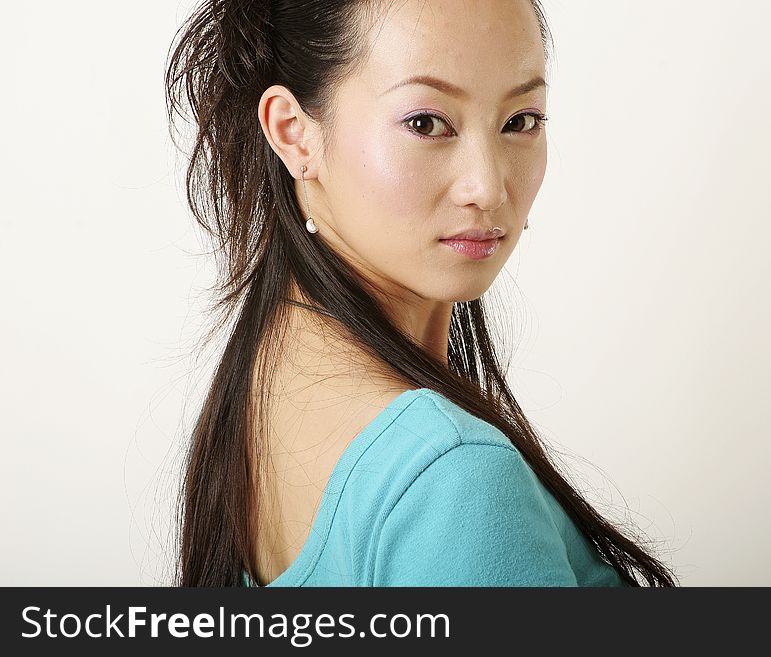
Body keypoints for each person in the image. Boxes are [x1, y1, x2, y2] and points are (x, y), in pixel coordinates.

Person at [164, 0, 677, 587]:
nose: (487, 187)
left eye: (520, 121)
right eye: (426, 123)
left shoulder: (268, 367)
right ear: (294, 133)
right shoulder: (451, 477)